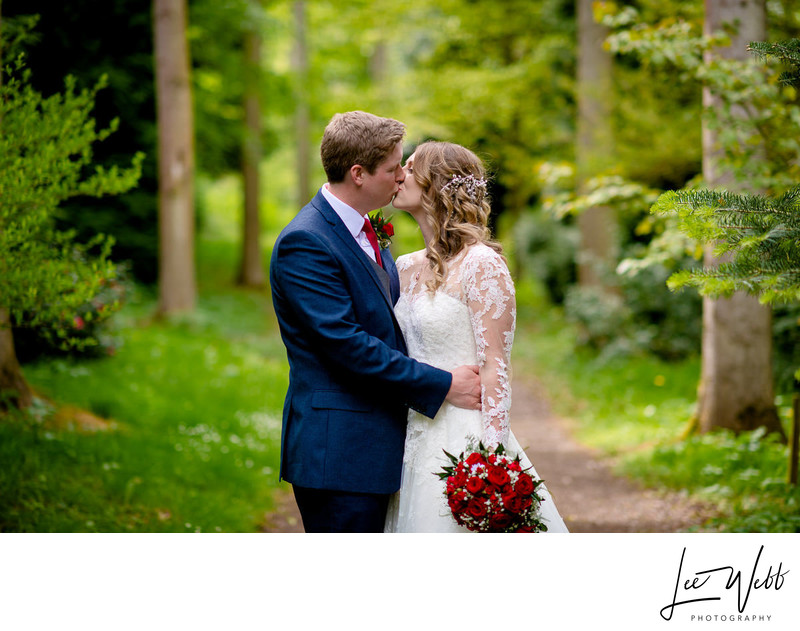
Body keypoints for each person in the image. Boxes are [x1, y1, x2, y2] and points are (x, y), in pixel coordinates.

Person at [269, 112, 483, 533]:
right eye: (392, 168)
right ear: (358, 174)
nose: (402, 175)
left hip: (383, 447)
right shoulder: (306, 242)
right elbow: (347, 345)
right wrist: (442, 384)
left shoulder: (366, 229)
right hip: (340, 453)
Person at [384, 141, 569, 533]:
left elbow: (496, 366)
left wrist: (492, 460)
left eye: (410, 167)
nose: (399, 174)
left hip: (463, 436)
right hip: (409, 436)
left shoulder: (482, 264)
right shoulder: (403, 267)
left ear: (437, 184)